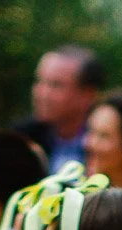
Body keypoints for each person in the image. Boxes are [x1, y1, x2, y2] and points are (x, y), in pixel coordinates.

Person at [14, 45, 103, 173]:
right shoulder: (22, 138)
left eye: (56, 85)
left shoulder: (106, 145)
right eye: (39, 81)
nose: (42, 94)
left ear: (88, 94)